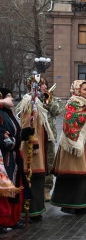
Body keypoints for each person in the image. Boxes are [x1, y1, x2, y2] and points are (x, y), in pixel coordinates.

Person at [49, 80, 86, 216]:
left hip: (81, 142)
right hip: (73, 145)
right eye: (85, 89)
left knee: (81, 174)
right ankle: (77, 205)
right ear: (77, 90)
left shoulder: (85, 103)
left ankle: (78, 205)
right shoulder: (73, 103)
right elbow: (70, 123)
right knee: (76, 173)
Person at [15, 76, 55, 221]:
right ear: (35, 87)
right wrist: (35, 143)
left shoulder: (37, 102)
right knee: (33, 177)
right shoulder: (29, 102)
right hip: (31, 149)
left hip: (39, 147)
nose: (45, 87)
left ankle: (36, 209)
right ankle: (31, 211)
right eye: (42, 85)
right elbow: (28, 125)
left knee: (38, 178)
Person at [0, 88, 24, 230]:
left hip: (13, 157)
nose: (11, 98)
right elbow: (4, 142)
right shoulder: (1, 115)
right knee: (4, 188)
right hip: (5, 158)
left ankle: (12, 218)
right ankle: (4, 220)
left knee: (13, 186)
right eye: (7, 96)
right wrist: (20, 138)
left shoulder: (10, 114)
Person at [38, 78, 62, 197]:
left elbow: (57, 111)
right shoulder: (28, 99)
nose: (44, 86)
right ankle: (35, 188)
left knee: (49, 163)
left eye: (45, 84)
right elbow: (18, 113)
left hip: (49, 136)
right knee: (36, 162)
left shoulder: (52, 98)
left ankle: (46, 189)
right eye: (41, 84)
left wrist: (49, 100)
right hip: (35, 136)